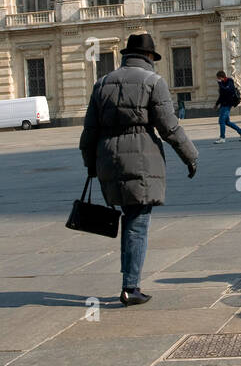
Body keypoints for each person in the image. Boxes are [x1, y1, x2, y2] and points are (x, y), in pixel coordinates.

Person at [80, 33, 198, 307]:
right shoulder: (153, 82)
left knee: (129, 217)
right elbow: (169, 127)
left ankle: (128, 281)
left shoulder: (102, 83)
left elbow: (89, 131)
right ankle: (130, 287)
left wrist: (91, 164)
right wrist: (191, 156)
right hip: (141, 156)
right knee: (137, 222)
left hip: (107, 157)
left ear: (125, 56)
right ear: (149, 57)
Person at [213, 71, 241, 143]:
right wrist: (216, 104)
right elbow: (221, 96)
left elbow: (227, 90)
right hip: (223, 104)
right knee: (227, 122)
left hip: (227, 104)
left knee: (221, 121)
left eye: (218, 78)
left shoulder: (229, 81)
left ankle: (222, 138)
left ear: (222, 77)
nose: (218, 79)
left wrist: (220, 83)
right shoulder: (222, 83)